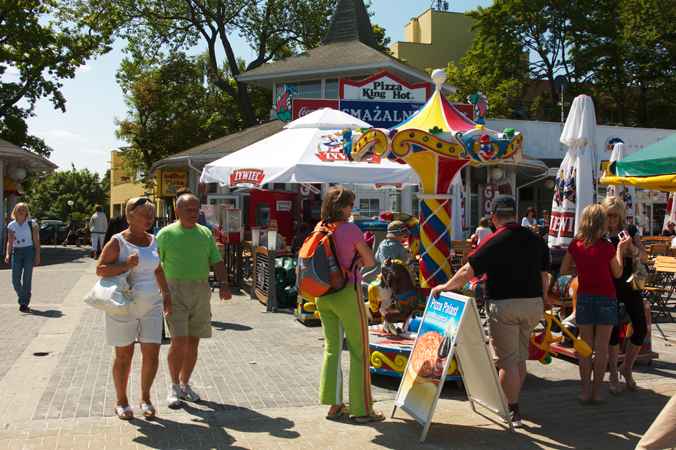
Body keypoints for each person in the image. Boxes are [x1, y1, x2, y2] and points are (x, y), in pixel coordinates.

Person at [431, 195, 549, 427]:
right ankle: (511, 399)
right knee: (519, 358)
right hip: (533, 304)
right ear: (515, 214)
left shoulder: (496, 240)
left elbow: (468, 270)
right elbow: (544, 275)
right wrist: (542, 299)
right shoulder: (536, 239)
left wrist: (445, 286)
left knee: (507, 362)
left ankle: (511, 409)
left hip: (504, 305)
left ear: (494, 217)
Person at [96, 197, 171, 420]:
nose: (149, 218)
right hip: (123, 305)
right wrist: (126, 265)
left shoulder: (153, 240)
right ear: (129, 216)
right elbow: (100, 269)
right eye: (144, 214)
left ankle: (146, 398)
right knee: (124, 354)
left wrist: (166, 294)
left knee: (152, 352)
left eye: (151, 213)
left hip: (152, 304)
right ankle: (121, 400)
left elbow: (158, 269)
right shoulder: (117, 242)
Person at [315, 186, 383, 423]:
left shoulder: (320, 228)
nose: (352, 209)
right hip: (346, 292)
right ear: (340, 207)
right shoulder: (351, 229)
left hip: (322, 294)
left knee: (332, 348)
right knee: (359, 350)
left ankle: (334, 404)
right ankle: (362, 409)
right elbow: (369, 260)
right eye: (350, 205)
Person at [157, 193, 231, 408]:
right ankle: (173, 386)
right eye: (188, 209)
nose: (193, 213)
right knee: (178, 341)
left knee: (193, 342)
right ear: (177, 211)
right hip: (175, 290)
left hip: (200, 289)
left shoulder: (205, 233)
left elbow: (216, 261)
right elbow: (155, 265)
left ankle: (184, 384)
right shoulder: (166, 234)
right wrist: (162, 293)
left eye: (196, 209)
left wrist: (224, 284)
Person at [560, 203, 630, 404]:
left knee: (584, 347)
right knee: (601, 349)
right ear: (601, 223)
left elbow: (564, 270)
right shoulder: (607, 247)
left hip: (584, 297)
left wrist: (582, 268)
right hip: (607, 298)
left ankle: (585, 391)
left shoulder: (576, 245)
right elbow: (617, 273)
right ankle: (597, 392)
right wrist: (619, 249)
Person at [603, 197, 648, 394]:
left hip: (631, 285)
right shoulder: (600, 233)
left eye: (615, 215)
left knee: (640, 327)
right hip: (609, 286)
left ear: (621, 214)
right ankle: (613, 373)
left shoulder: (630, 231)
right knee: (612, 332)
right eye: (608, 214)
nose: (612, 219)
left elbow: (644, 255)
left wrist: (633, 250)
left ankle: (626, 367)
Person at [4, 203, 41, 313]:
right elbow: (9, 242)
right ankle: (24, 297)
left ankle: (24, 303)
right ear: (15, 211)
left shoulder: (32, 224)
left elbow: (36, 241)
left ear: (26, 212)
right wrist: (7, 254)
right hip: (17, 252)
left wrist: (38, 255)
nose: (21, 211)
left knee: (27, 278)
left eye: (24, 209)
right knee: (15, 280)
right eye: (19, 209)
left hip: (29, 251)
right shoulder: (11, 225)